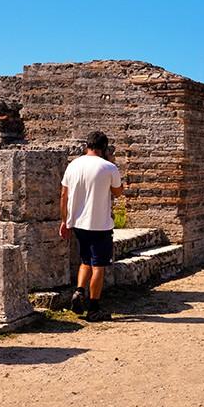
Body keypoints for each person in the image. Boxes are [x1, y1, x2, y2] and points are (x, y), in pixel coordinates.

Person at [59, 131, 124, 322]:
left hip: (77, 223)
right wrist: (111, 163)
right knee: (98, 266)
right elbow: (118, 192)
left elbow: (64, 195)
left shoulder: (73, 165)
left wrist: (64, 221)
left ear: (87, 145)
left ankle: (79, 291)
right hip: (100, 224)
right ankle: (94, 308)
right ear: (104, 147)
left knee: (85, 260)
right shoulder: (109, 167)